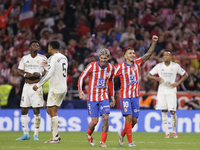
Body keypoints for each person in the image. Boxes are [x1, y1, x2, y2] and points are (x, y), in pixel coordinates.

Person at [114, 35, 158, 147]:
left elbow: (148, 55)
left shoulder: (137, 63)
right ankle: (130, 142)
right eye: (130, 53)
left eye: (133, 53)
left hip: (135, 96)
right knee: (128, 117)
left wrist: (153, 43)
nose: (133, 55)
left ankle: (122, 133)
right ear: (125, 56)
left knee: (134, 121)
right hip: (124, 96)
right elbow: (111, 78)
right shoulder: (120, 67)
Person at [78, 48, 115, 147]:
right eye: (101, 58)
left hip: (104, 97)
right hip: (92, 98)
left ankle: (102, 142)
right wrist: (80, 90)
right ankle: (89, 134)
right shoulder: (92, 66)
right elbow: (81, 77)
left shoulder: (111, 67)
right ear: (99, 57)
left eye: (105, 58)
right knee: (95, 122)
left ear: (108, 58)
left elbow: (110, 81)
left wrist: (112, 96)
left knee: (106, 118)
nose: (103, 60)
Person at [146, 50, 188, 138]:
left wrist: (177, 83)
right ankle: (167, 133)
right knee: (164, 111)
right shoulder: (159, 66)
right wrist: (156, 79)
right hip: (162, 90)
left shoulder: (175, 66)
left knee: (173, 111)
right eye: (164, 55)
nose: (165, 56)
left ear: (171, 57)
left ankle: (174, 131)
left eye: (167, 55)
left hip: (171, 90)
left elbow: (185, 75)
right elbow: (148, 75)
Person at [33, 40, 68, 143]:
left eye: (48, 47)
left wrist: (38, 84)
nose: (48, 48)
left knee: (53, 111)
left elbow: (49, 74)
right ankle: (56, 131)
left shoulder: (53, 58)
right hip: (63, 87)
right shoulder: (64, 57)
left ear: (51, 47)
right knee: (49, 109)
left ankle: (55, 137)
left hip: (56, 88)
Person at [16, 40, 47, 141]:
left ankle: (36, 134)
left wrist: (40, 74)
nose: (36, 46)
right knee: (24, 110)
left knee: (36, 110)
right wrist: (25, 75)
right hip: (26, 86)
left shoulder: (42, 58)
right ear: (29, 47)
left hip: (36, 86)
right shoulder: (25, 58)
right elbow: (19, 70)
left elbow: (48, 71)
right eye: (34, 45)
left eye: (37, 45)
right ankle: (25, 134)